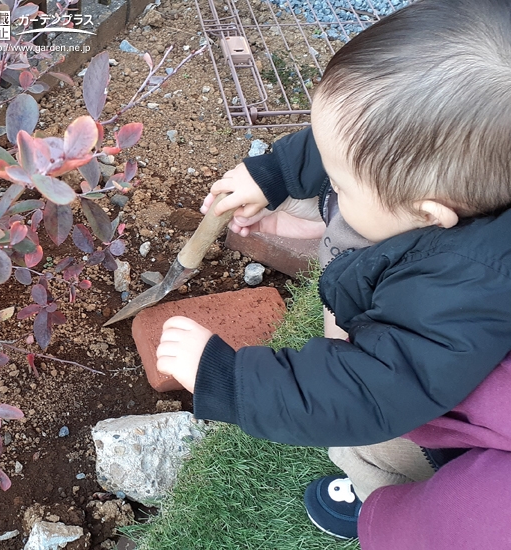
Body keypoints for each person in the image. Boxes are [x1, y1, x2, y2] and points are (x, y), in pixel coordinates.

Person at [154, 0, 511, 547]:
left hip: (443, 413)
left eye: (340, 188)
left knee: (374, 446)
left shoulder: (459, 297)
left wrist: (228, 378)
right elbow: (359, 139)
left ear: (431, 216)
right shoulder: (469, 164)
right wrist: (272, 174)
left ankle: (378, 497)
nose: (331, 190)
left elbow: (365, 391)